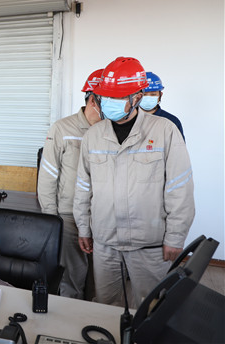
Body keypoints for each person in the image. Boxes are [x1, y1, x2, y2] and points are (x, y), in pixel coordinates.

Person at [73, 57, 195, 308]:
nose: (109, 102)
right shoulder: (93, 136)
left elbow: (179, 188)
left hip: (148, 245)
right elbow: (84, 187)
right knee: (105, 304)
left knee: (150, 307)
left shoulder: (164, 131)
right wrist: (84, 228)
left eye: (117, 97)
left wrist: (175, 237)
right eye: (105, 96)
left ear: (137, 97)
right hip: (105, 242)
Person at [37, 68, 103, 299]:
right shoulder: (62, 129)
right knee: (71, 279)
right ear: (93, 100)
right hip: (69, 216)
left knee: (101, 280)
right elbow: (48, 176)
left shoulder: (111, 130)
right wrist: (51, 219)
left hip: (103, 217)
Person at [139, 71, 185, 140]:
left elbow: (178, 146)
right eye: (144, 94)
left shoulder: (172, 121)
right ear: (137, 96)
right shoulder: (128, 120)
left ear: (160, 95)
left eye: (153, 94)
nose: (148, 98)